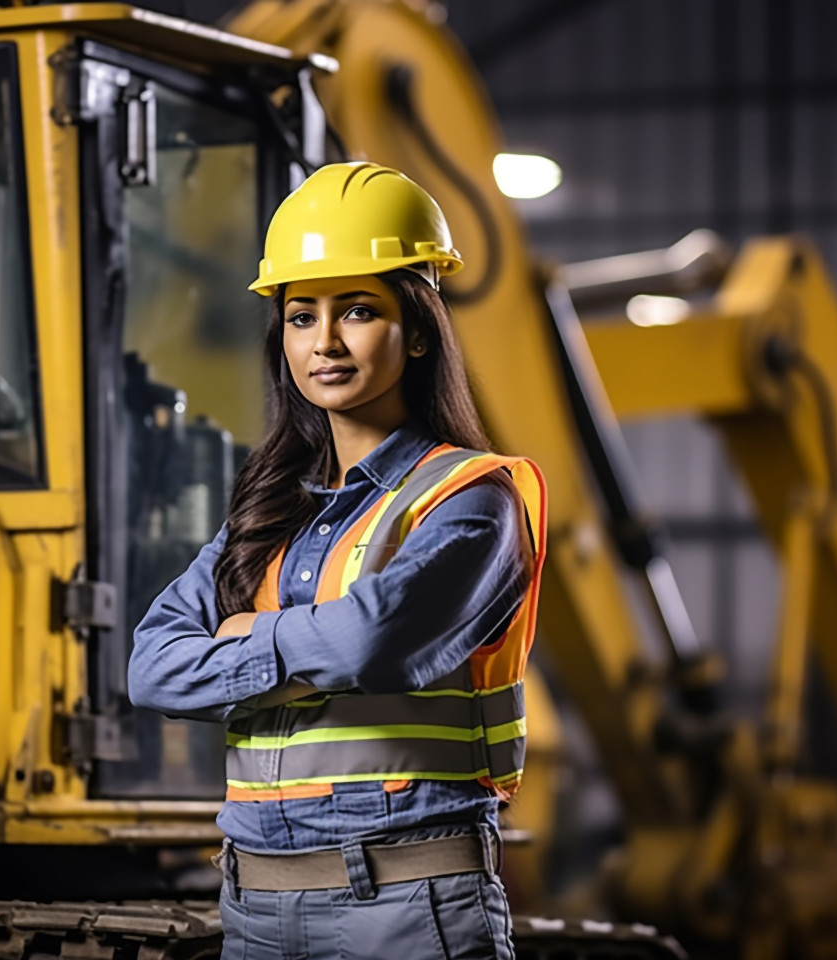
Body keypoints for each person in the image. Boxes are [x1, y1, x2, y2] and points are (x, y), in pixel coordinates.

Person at [128, 161, 546, 960]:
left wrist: (244, 633)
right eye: (299, 316)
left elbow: (371, 645)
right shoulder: (267, 511)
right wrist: (304, 648)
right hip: (254, 904)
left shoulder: (470, 499)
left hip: (404, 901)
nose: (323, 343)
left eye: (357, 311)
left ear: (417, 329)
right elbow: (150, 667)